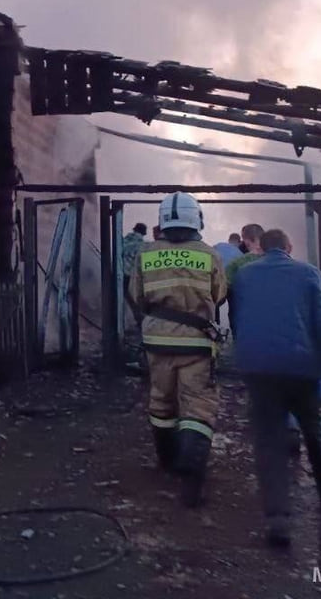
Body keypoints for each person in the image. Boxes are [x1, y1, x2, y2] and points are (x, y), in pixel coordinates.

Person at [229, 229, 321, 548]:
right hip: (302, 369)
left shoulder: (245, 276)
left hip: (258, 368)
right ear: (289, 247)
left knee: (268, 442)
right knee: (314, 432)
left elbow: (237, 318)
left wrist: (246, 353)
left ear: (261, 248)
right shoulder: (309, 274)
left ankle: (278, 520)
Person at [127, 192, 226, 508]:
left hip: (156, 340)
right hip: (196, 342)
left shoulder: (146, 254)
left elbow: (135, 295)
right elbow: (219, 294)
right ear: (196, 220)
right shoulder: (208, 255)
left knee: (161, 399)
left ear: (162, 222)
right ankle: (192, 473)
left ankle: (166, 460)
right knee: (197, 404)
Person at [121, 222, 147, 299]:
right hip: (130, 276)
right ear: (144, 233)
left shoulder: (123, 240)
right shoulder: (142, 245)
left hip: (117, 273)